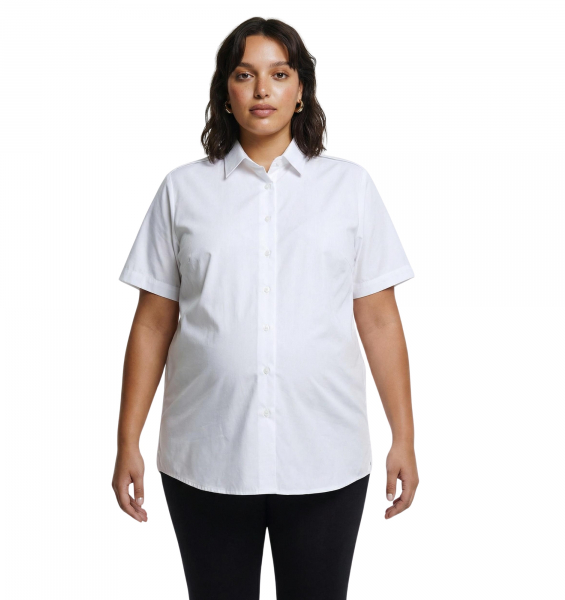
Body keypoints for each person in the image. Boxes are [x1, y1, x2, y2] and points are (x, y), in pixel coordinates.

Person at [112, 17, 419, 600]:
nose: (261, 90)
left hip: (325, 454)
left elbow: (379, 318)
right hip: (207, 455)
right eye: (244, 74)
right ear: (224, 91)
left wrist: (403, 436)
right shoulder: (182, 190)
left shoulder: (350, 188)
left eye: (279, 74)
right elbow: (152, 323)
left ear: (301, 90)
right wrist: (128, 439)